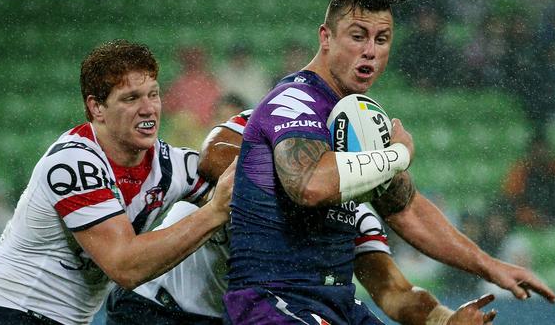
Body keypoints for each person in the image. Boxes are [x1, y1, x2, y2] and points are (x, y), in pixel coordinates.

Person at [223, 0, 555, 325]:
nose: (370, 51)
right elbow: (311, 185)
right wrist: (396, 155)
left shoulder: (359, 117)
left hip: (335, 304)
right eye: (357, 36)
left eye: (381, 40)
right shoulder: (293, 100)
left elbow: (406, 208)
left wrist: (490, 266)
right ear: (326, 37)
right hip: (274, 303)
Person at [107, 110, 499, 325]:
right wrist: (300, 191)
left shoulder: (354, 217)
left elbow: (394, 291)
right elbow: (214, 156)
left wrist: (443, 320)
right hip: (152, 306)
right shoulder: (278, 131)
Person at [0, 39, 235, 325]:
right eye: (131, 98)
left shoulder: (170, 164)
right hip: (4, 313)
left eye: (154, 94)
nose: (148, 109)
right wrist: (214, 212)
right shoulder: (72, 164)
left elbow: (235, 189)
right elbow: (125, 267)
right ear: (97, 107)